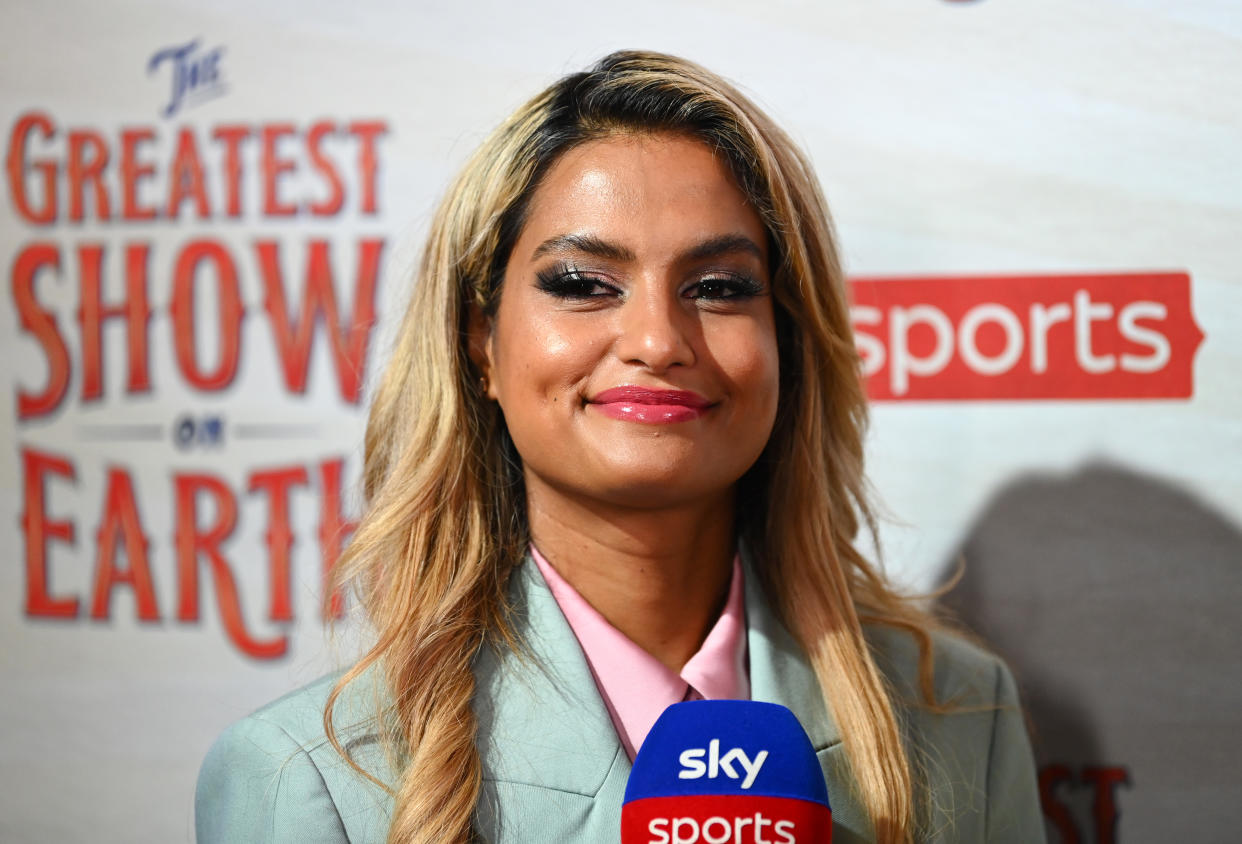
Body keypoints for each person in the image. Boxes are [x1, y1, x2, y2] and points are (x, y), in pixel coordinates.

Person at [195, 50, 1044, 844]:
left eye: (718, 287)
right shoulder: (310, 777)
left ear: (787, 342)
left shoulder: (963, 717)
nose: (655, 339)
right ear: (481, 343)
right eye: (582, 284)